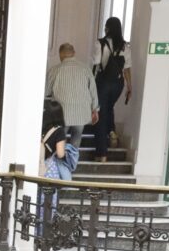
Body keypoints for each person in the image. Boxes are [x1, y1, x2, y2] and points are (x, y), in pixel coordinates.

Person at [45, 43, 99, 152]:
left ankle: (60, 165)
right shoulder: (86, 69)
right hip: (81, 112)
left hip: (62, 113)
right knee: (76, 140)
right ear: (74, 53)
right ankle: (71, 164)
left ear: (60, 55)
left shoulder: (54, 70)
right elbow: (93, 91)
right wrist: (95, 109)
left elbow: (47, 91)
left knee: (59, 141)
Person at [92, 17, 132, 162]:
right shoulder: (125, 46)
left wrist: (91, 84)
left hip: (103, 82)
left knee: (100, 114)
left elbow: (96, 64)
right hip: (118, 84)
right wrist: (129, 86)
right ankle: (111, 131)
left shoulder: (100, 43)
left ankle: (102, 153)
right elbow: (127, 68)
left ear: (107, 28)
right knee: (109, 107)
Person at [38, 124, 80, 249]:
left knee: (39, 205)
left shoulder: (41, 126)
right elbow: (60, 153)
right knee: (50, 205)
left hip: (40, 169)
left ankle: (38, 236)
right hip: (50, 171)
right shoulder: (59, 131)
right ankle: (47, 238)